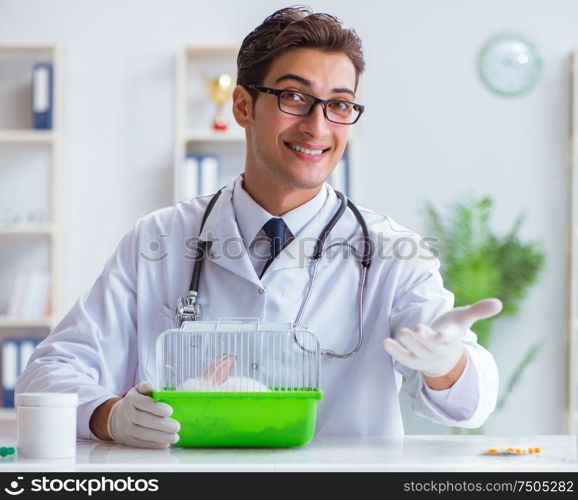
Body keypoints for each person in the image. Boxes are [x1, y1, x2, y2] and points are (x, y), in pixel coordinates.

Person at [16, 6, 501, 449]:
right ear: (243, 106)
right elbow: (49, 372)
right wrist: (109, 415)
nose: (318, 126)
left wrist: (447, 363)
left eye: (339, 105)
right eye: (295, 97)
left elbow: (469, 405)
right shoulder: (158, 240)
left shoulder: (393, 251)